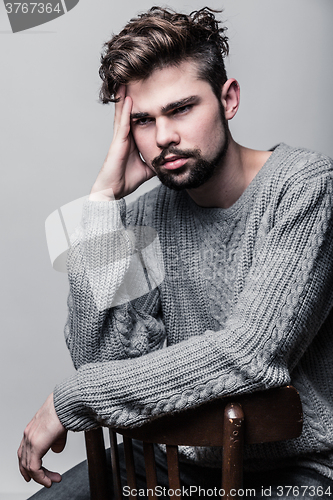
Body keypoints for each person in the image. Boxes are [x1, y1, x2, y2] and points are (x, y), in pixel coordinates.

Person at [18, 6, 333, 499]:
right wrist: (101, 207)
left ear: (227, 99)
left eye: (181, 109)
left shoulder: (305, 189)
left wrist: (72, 399)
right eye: (143, 120)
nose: (163, 137)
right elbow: (99, 359)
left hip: (292, 469)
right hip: (167, 459)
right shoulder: (142, 216)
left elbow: (247, 355)